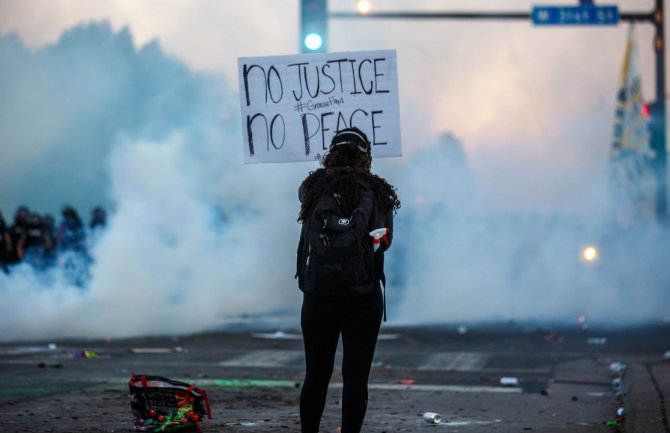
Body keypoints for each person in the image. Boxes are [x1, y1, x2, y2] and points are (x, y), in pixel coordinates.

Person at [296, 127, 400, 433]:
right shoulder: (377, 192)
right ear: (366, 157)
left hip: (318, 295)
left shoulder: (313, 187)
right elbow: (385, 242)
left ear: (331, 154)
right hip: (362, 296)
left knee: (316, 374)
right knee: (356, 378)